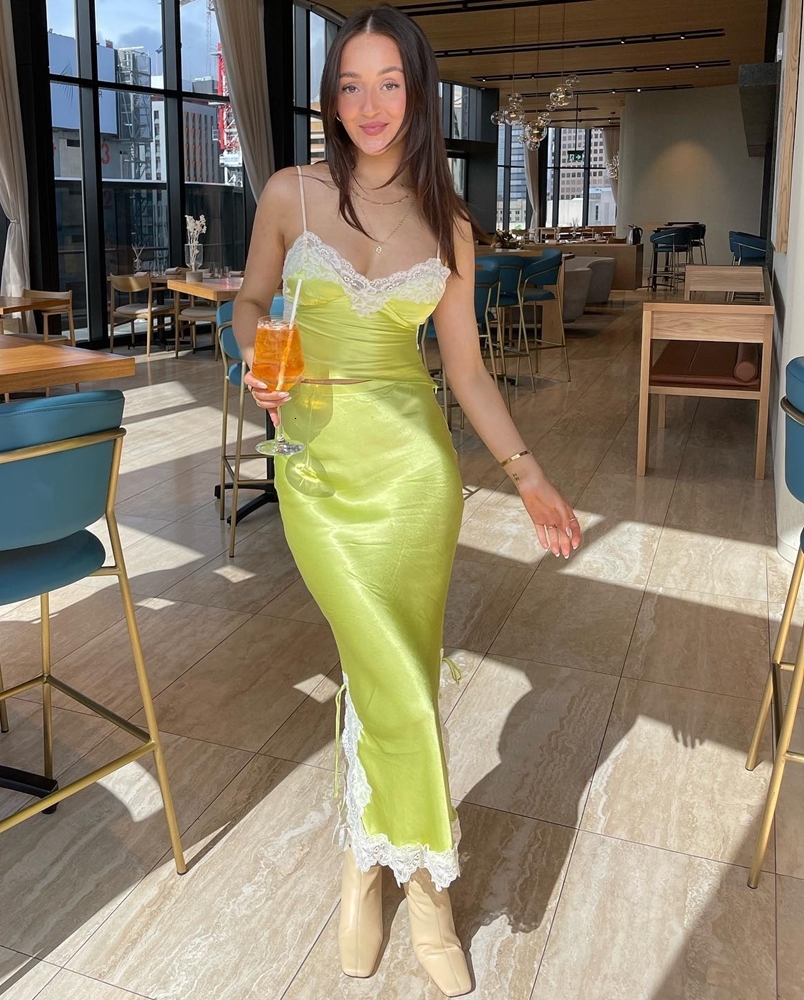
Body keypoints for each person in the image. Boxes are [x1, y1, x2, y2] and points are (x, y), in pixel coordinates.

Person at [233, 5, 581, 995]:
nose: (370, 103)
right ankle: (424, 878)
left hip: (415, 473)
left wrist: (528, 474)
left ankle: (372, 865)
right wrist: (257, 354)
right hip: (313, 461)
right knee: (383, 662)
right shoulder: (291, 194)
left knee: (401, 673)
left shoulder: (450, 223)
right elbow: (252, 300)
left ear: (418, 94)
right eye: (351, 84)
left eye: (389, 83)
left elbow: (464, 371)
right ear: (330, 98)